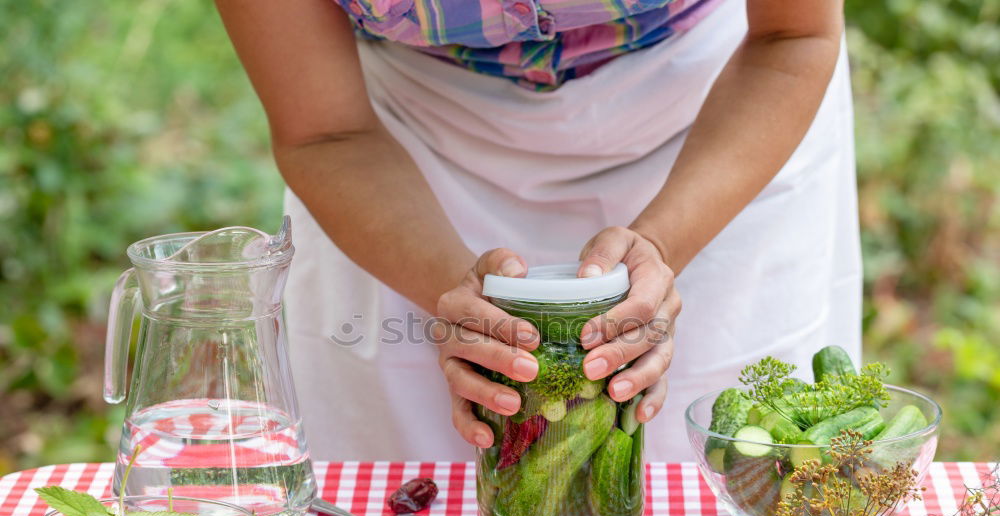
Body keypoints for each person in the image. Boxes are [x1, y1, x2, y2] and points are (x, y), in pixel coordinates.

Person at [216, 0, 861, 461]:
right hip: (393, 152)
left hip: (715, 118)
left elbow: (793, 36)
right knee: (403, 505)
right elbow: (325, 131)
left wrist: (664, 244)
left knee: (721, 478)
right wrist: (447, 290)